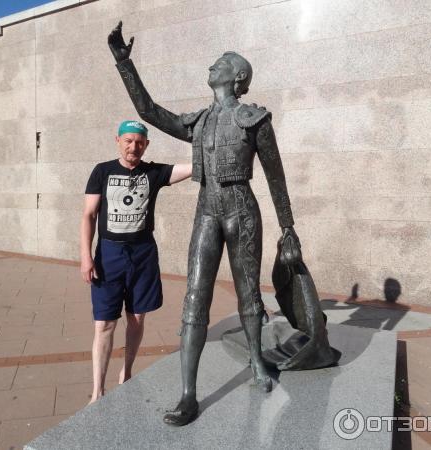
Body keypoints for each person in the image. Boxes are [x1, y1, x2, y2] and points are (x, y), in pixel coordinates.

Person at [108, 22, 302, 425]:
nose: (213, 66)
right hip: (208, 209)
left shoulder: (255, 119)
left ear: (238, 77)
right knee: (195, 296)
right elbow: (148, 111)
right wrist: (124, 63)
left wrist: (288, 227)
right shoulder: (198, 122)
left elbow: (276, 175)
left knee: (249, 294)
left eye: (222, 64)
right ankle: (188, 395)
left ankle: (256, 362)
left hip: (242, 207)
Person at [80, 120, 192, 403]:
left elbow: (193, 167)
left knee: (137, 318)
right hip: (109, 254)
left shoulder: (153, 172)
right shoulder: (102, 171)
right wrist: (86, 256)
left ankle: (127, 372)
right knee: (104, 323)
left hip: (143, 254)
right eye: (128, 140)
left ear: (146, 144)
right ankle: (97, 391)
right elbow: (89, 215)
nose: (134, 147)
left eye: (139, 142)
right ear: (117, 140)